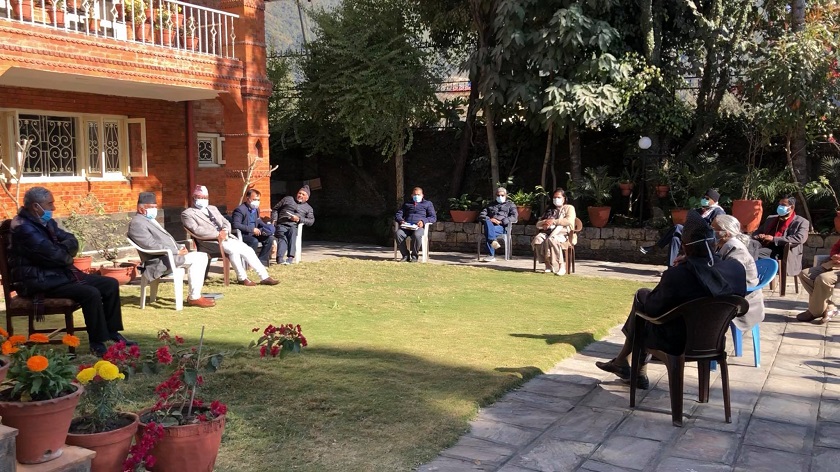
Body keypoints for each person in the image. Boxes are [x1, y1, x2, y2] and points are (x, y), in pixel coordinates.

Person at [596, 210, 747, 389]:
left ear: (685, 247)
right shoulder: (736, 269)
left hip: (677, 342)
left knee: (642, 307)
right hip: (714, 339)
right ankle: (624, 365)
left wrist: (684, 266)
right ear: (714, 243)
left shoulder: (678, 275)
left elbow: (652, 309)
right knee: (645, 309)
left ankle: (632, 368)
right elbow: (737, 301)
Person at [8, 187, 134, 356]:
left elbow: (71, 240)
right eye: (50, 204)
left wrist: (62, 252)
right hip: (37, 281)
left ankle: (112, 332)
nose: (53, 208)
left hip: (57, 275)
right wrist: (64, 254)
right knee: (90, 293)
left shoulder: (46, 222)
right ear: (36, 206)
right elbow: (55, 256)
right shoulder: (23, 227)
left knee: (109, 284)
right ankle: (97, 343)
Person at [127, 192, 215, 308]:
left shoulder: (148, 220)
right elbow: (150, 245)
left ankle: (195, 296)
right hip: (158, 261)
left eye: (155, 207)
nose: (154, 210)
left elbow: (166, 239)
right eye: (151, 207)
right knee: (200, 258)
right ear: (141, 209)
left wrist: (179, 247)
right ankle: (194, 297)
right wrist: (176, 252)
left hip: (168, 256)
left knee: (201, 256)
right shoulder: (137, 223)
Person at [181, 185, 279, 286]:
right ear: (194, 198)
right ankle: (242, 278)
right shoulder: (187, 213)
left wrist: (225, 230)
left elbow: (226, 222)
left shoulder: (212, 208)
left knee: (248, 249)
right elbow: (196, 230)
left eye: (205, 197)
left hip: (227, 237)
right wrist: (218, 234)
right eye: (200, 197)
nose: (203, 199)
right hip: (209, 242)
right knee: (233, 250)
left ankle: (264, 277)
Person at [640, 188, 726, 267]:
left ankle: (655, 248)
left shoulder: (718, 212)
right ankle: (671, 267)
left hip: (703, 238)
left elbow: (715, 229)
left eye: (707, 198)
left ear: (714, 200)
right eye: (703, 198)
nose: (704, 200)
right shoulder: (700, 210)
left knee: (677, 227)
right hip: (691, 235)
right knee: (675, 239)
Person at [712, 215, 765, 331]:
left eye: (713, 229)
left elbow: (731, 277)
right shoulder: (722, 245)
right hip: (731, 291)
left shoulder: (736, 249)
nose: (711, 232)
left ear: (726, 233)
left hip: (744, 299)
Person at [754, 196, 809, 294]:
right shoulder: (771, 219)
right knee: (750, 250)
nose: (780, 207)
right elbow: (757, 232)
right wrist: (759, 235)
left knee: (755, 254)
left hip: (785, 252)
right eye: (779, 204)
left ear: (791, 207)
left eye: (783, 205)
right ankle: (752, 279)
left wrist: (774, 239)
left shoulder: (801, 222)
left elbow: (800, 238)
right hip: (767, 248)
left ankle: (754, 280)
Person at [531, 188, 576, 275]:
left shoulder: (569, 208)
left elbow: (569, 221)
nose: (556, 199)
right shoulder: (549, 209)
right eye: (554, 198)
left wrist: (553, 221)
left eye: (559, 197)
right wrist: (545, 222)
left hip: (564, 234)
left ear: (564, 198)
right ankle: (548, 265)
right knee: (538, 239)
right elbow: (538, 224)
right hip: (548, 232)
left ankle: (561, 266)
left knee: (553, 239)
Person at [796, 238, 840, 323]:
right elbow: (836, 248)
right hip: (833, 264)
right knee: (804, 274)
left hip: (838, 272)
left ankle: (814, 312)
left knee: (822, 278)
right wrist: (834, 255)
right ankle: (830, 307)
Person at [271, 185, 315, 265]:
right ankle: (280, 258)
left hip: (294, 225)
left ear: (307, 198)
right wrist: (274, 220)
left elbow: (311, 221)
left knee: (293, 232)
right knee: (283, 236)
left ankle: (290, 258)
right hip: (282, 224)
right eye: (299, 193)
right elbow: (275, 209)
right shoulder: (288, 199)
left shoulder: (308, 208)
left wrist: (299, 219)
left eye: (303, 194)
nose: (300, 195)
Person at [232, 189, 275, 267]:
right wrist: (252, 229)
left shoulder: (256, 209)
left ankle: (261, 262)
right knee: (254, 241)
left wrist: (267, 227)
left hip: (255, 233)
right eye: (254, 199)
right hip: (244, 234)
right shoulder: (240, 210)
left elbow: (258, 220)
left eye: (258, 200)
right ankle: (250, 263)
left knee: (270, 239)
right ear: (248, 199)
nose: (257, 202)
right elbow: (236, 224)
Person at [395, 187, 437, 262]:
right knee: (398, 234)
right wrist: (401, 220)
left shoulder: (427, 204)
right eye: (415, 195)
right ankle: (405, 255)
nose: (416, 196)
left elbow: (433, 217)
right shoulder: (407, 204)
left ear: (422, 195)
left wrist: (423, 221)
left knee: (417, 235)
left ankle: (414, 256)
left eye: (418, 194)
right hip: (406, 227)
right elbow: (398, 214)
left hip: (419, 227)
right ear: (412, 195)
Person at [478, 187, 518, 262]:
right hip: (490, 224)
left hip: (501, 227)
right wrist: (490, 219)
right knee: (487, 222)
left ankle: (491, 255)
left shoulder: (511, 205)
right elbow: (481, 215)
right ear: (496, 196)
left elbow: (514, 217)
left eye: (502, 195)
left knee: (488, 231)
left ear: (506, 195)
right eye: (498, 195)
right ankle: (493, 241)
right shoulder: (490, 205)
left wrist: (501, 222)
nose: (500, 197)